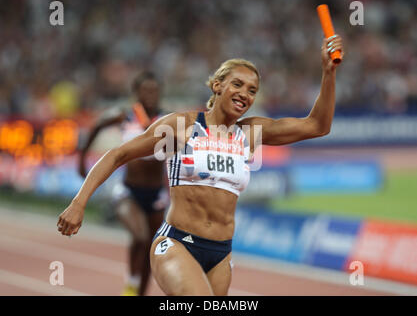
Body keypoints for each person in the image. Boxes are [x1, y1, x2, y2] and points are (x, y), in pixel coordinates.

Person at [57, 35, 344, 295]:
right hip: (177, 243)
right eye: (238, 84)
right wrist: (79, 202)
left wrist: (328, 73)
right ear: (217, 85)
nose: (245, 93)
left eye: (252, 90)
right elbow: (118, 155)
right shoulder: (181, 126)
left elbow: (318, 125)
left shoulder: (251, 133)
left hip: (220, 254)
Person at [78, 71, 168, 296]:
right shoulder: (124, 116)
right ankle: (130, 285)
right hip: (128, 190)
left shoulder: (169, 120)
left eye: (154, 90)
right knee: (140, 236)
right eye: (145, 90)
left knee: (151, 248)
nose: (150, 94)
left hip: (157, 192)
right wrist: (82, 158)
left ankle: (140, 292)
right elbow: (97, 126)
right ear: (136, 92)